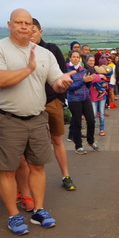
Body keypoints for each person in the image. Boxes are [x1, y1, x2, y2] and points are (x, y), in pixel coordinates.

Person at [0, 8, 74, 235]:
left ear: (33, 27)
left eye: (27, 23)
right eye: (18, 22)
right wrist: (29, 69)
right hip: (7, 119)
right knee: (8, 170)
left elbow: (55, 81)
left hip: (37, 117)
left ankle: (39, 210)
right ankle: (13, 215)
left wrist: (62, 84)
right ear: (9, 24)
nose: (24, 26)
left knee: (38, 166)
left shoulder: (44, 53)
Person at [30, 18, 76, 191]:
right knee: (31, 145)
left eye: (34, 30)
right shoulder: (20, 52)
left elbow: (62, 75)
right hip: (31, 105)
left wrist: (60, 99)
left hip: (51, 101)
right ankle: (30, 182)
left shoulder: (51, 49)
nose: (30, 34)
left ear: (40, 32)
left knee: (56, 139)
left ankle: (66, 175)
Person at [67, 50, 98, 154]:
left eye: (77, 57)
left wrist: (89, 80)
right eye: (74, 57)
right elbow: (70, 87)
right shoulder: (67, 71)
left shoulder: (83, 70)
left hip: (85, 98)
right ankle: (78, 146)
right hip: (74, 100)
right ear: (70, 58)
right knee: (77, 123)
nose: (76, 59)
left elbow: (87, 86)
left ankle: (91, 141)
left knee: (91, 120)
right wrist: (83, 81)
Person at [90, 55, 110, 136]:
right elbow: (90, 80)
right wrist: (100, 77)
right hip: (93, 95)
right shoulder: (87, 70)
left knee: (101, 113)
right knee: (93, 114)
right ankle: (92, 128)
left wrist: (106, 85)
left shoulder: (99, 70)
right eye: (90, 60)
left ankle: (101, 129)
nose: (91, 62)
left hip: (102, 95)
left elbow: (107, 81)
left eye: (93, 60)